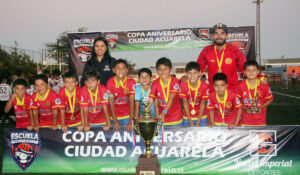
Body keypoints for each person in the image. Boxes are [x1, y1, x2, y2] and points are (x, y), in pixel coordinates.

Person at [197, 23, 247, 91]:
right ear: (212, 36)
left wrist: (260, 77)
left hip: (232, 91)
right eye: (216, 33)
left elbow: (246, 68)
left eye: (222, 33)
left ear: (227, 36)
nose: (219, 36)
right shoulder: (206, 51)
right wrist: (188, 81)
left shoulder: (235, 50)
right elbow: (197, 70)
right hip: (213, 92)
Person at [235, 60, 273, 126]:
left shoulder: (264, 85)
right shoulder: (240, 85)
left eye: (253, 70)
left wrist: (261, 107)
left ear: (258, 71)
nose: (251, 72)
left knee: (260, 136)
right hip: (245, 120)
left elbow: (270, 99)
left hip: (260, 120)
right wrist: (245, 108)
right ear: (244, 72)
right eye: (248, 70)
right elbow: (237, 101)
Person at [148, 57, 183, 126]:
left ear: (170, 70)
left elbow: (171, 98)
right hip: (162, 119)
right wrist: (146, 109)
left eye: (165, 69)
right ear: (157, 71)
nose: (162, 72)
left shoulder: (175, 81)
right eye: (160, 69)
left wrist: (164, 113)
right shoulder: (155, 83)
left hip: (175, 118)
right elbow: (151, 99)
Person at [106, 59, 136, 131]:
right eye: (118, 68)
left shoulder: (131, 81)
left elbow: (132, 102)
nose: (121, 70)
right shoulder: (109, 82)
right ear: (113, 70)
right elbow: (111, 102)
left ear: (127, 70)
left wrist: (130, 121)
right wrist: (115, 121)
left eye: (123, 68)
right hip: (113, 117)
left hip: (127, 116)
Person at [179, 62, 210, 126]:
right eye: (189, 73)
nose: (192, 75)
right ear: (186, 74)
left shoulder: (204, 86)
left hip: (202, 117)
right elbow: (185, 103)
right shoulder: (183, 86)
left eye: (195, 73)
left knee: (202, 136)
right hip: (187, 118)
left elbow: (203, 104)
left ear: (199, 73)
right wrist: (190, 121)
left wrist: (198, 122)